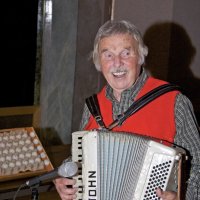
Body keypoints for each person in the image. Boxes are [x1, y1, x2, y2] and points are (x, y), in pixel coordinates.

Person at [54, 20, 200, 200]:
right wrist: (67, 177)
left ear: (140, 56)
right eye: (108, 55)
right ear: (99, 62)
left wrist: (182, 197)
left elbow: (197, 166)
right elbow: (81, 159)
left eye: (126, 53)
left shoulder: (174, 101)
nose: (117, 63)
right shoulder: (93, 106)